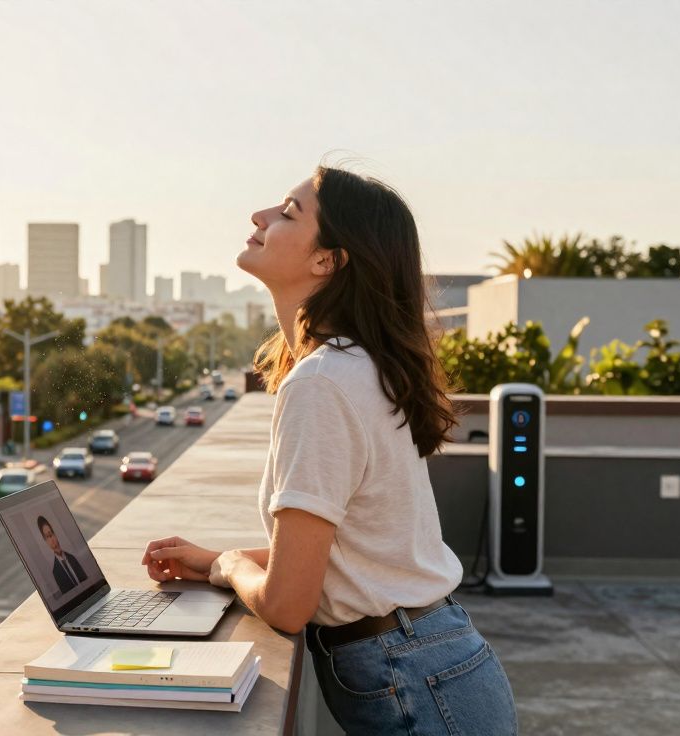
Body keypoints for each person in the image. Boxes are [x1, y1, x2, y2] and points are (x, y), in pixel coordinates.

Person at [142, 166, 517, 734]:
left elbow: (290, 605)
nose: (260, 217)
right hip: (434, 665)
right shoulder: (355, 366)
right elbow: (357, 554)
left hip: (418, 683)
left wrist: (229, 564)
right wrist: (216, 561)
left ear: (328, 260)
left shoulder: (322, 383)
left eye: (288, 212)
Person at [37, 515, 86, 594]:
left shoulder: (72, 558)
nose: (52, 539)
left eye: (51, 534)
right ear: (45, 541)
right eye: (47, 537)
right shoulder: (55, 572)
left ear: (55, 534)